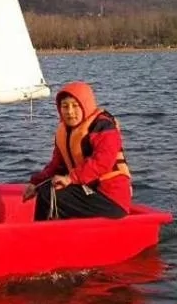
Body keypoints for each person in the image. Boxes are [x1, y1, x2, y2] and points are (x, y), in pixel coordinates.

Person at [22, 80, 132, 220]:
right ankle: (44, 234)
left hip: (111, 199)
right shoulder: (64, 131)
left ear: (86, 105)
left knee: (50, 195)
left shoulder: (103, 127)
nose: (70, 111)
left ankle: (40, 238)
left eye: (75, 106)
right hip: (86, 190)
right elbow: (56, 166)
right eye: (65, 106)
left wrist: (70, 178)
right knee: (45, 190)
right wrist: (35, 183)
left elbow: (102, 163)